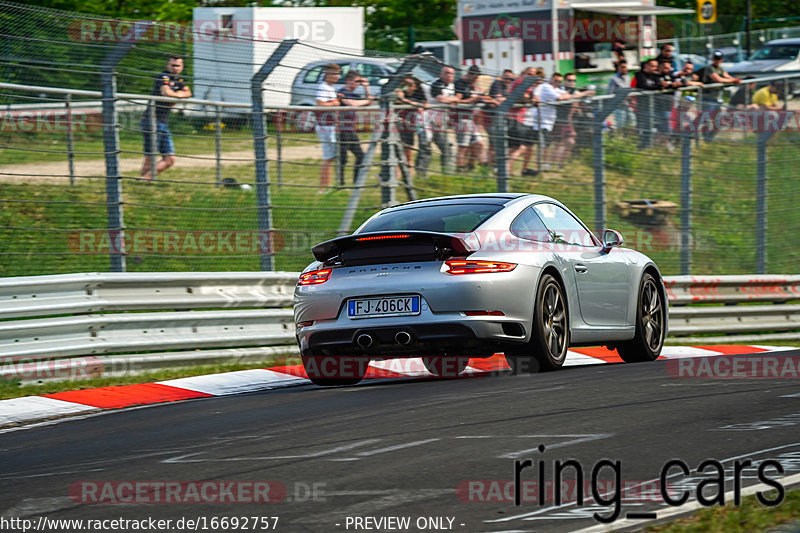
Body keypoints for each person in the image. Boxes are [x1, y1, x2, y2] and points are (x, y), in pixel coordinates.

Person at [140, 55, 192, 181]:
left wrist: (176, 96)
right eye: (173, 65)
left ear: (182, 67)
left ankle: (144, 180)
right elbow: (165, 92)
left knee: (170, 159)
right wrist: (178, 95)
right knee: (150, 155)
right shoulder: (163, 76)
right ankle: (144, 181)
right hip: (151, 120)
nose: (175, 68)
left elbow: (188, 92)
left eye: (178, 65)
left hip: (162, 122)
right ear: (167, 65)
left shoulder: (179, 80)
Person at [337, 71, 375, 185]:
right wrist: (367, 101)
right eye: (356, 81)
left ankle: (356, 182)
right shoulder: (341, 92)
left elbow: (369, 102)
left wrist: (366, 87)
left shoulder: (355, 94)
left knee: (360, 156)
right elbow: (352, 103)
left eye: (359, 81)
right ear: (349, 80)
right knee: (342, 159)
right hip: (342, 129)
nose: (358, 84)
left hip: (351, 129)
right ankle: (340, 183)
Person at [424, 66, 459, 174]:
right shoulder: (436, 84)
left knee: (448, 147)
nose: (449, 76)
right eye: (446, 73)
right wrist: (453, 99)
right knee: (426, 147)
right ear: (441, 74)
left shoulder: (452, 85)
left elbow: (454, 100)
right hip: (429, 121)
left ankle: (447, 173)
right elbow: (441, 99)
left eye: (451, 74)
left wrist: (452, 100)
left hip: (441, 121)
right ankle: (422, 175)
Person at [701, 50, 741, 141]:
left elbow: (726, 76)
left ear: (721, 60)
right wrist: (733, 81)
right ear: (712, 58)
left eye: (718, 59)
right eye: (715, 58)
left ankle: (708, 139)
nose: (716, 60)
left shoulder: (720, 68)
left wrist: (734, 80)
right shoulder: (709, 68)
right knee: (706, 119)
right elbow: (717, 79)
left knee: (718, 121)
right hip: (707, 98)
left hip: (715, 98)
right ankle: (703, 137)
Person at [453, 65, 488, 170]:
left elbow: (479, 96)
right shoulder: (459, 84)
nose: (477, 79)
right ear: (470, 74)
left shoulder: (472, 84)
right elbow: (457, 101)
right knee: (463, 147)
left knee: (479, 144)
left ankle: (472, 165)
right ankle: (460, 168)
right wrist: (473, 100)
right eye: (476, 77)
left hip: (471, 119)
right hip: (461, 118)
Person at [507, 67, 541, 177]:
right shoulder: (520, 81)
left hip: (518, 118)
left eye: (533, 74)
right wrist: (531, 100)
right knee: (523, 146)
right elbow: (522, 96)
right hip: (514, 118)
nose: (531, 76)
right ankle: (506, 169)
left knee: (514, 147)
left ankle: (507, 169)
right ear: (523, 73)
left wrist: (532, 98)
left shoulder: (527, 84)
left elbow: (532, 97)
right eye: (529, 74)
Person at [314, 63, 343, 193]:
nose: (338, 76)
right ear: (328, 74)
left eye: (338, 73)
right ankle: (322, 187)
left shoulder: (331, 88)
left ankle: (328, 185)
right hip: (325, 126)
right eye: (335, 73)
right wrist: (336, 102)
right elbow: (320, 104)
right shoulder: (323, 87)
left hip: (331, 125)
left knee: (331, 157)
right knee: (328, 157)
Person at [395, 76, 428, 178]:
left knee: (409, 154)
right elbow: (399, 100)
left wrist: (416, 104)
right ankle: (396, 177)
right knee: (397, 154)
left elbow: (426, 105)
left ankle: (410, 177)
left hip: (411, 126)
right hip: (400, 126)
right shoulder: (401, 92)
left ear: (415, 87)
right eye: (406, 84)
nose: (407, 87)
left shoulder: (419, 94)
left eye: (410, 85)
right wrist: (413, 103)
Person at [485, 69, 514, 165]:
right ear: (502, 77)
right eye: (506, 77)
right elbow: (498, 99)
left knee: (498, 143)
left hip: (500, 118)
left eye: (510, 78)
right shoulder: (497, 83)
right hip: (492, 118)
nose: (508, 80)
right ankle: (491, 165)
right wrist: (510, 99)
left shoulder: (507, 88)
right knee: (494, 144)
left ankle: (492, 165)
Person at [632, 58, 661, 149]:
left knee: (650, 128)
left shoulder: (655, 76)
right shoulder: (640, 75)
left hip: (653, 106)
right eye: (652, 66)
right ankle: (640, 146)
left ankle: (647, 146)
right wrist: (658, 86)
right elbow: (645, 87)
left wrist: (658, 86)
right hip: (641, 107)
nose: (654, 68)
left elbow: (657, 86)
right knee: (642, 128)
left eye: (656, 66)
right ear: (646, 66)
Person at [607, 60, 635, 132]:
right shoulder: (614, 79)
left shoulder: (628, 77)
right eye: (623, 67)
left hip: (627, 105)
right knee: (620, 126)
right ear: (618, 68)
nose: (625, 69)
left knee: (631, 124)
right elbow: (609, 93)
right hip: (619, 106)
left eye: (625, 67)